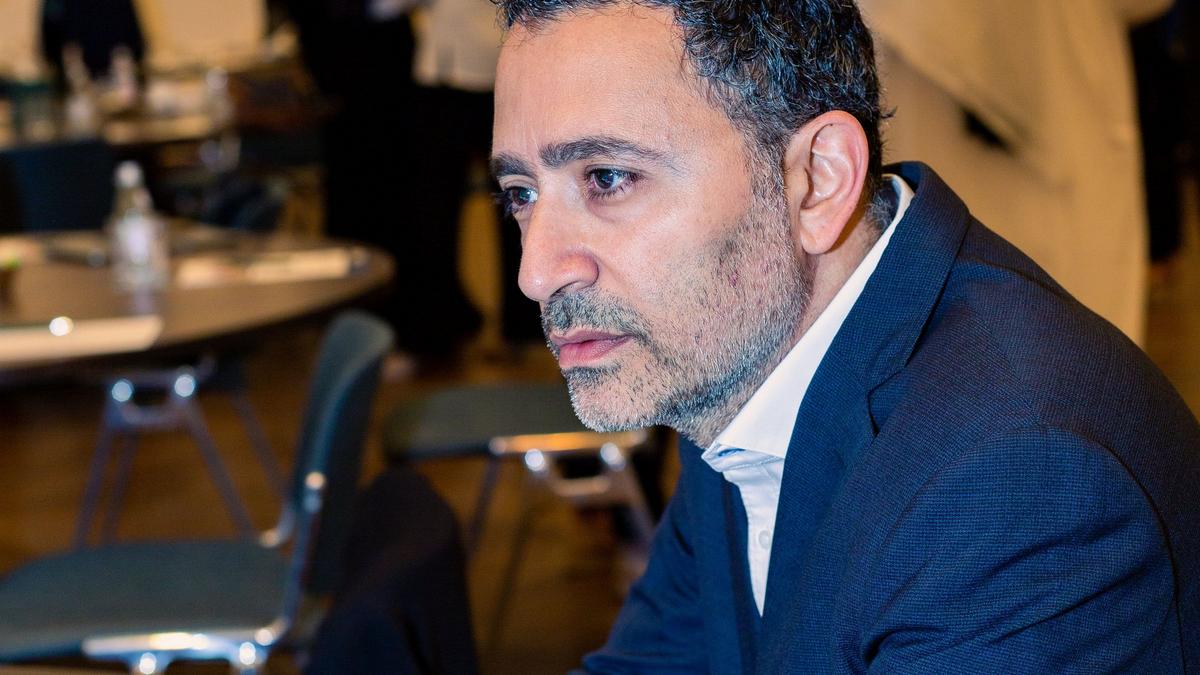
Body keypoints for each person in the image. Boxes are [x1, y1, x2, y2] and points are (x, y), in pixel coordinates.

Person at [489, 0, 1200, 672]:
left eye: (608, 178)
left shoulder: (1017, 483)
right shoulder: (736, 354)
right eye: (521, 194)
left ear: (819, 180)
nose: (536, 272)